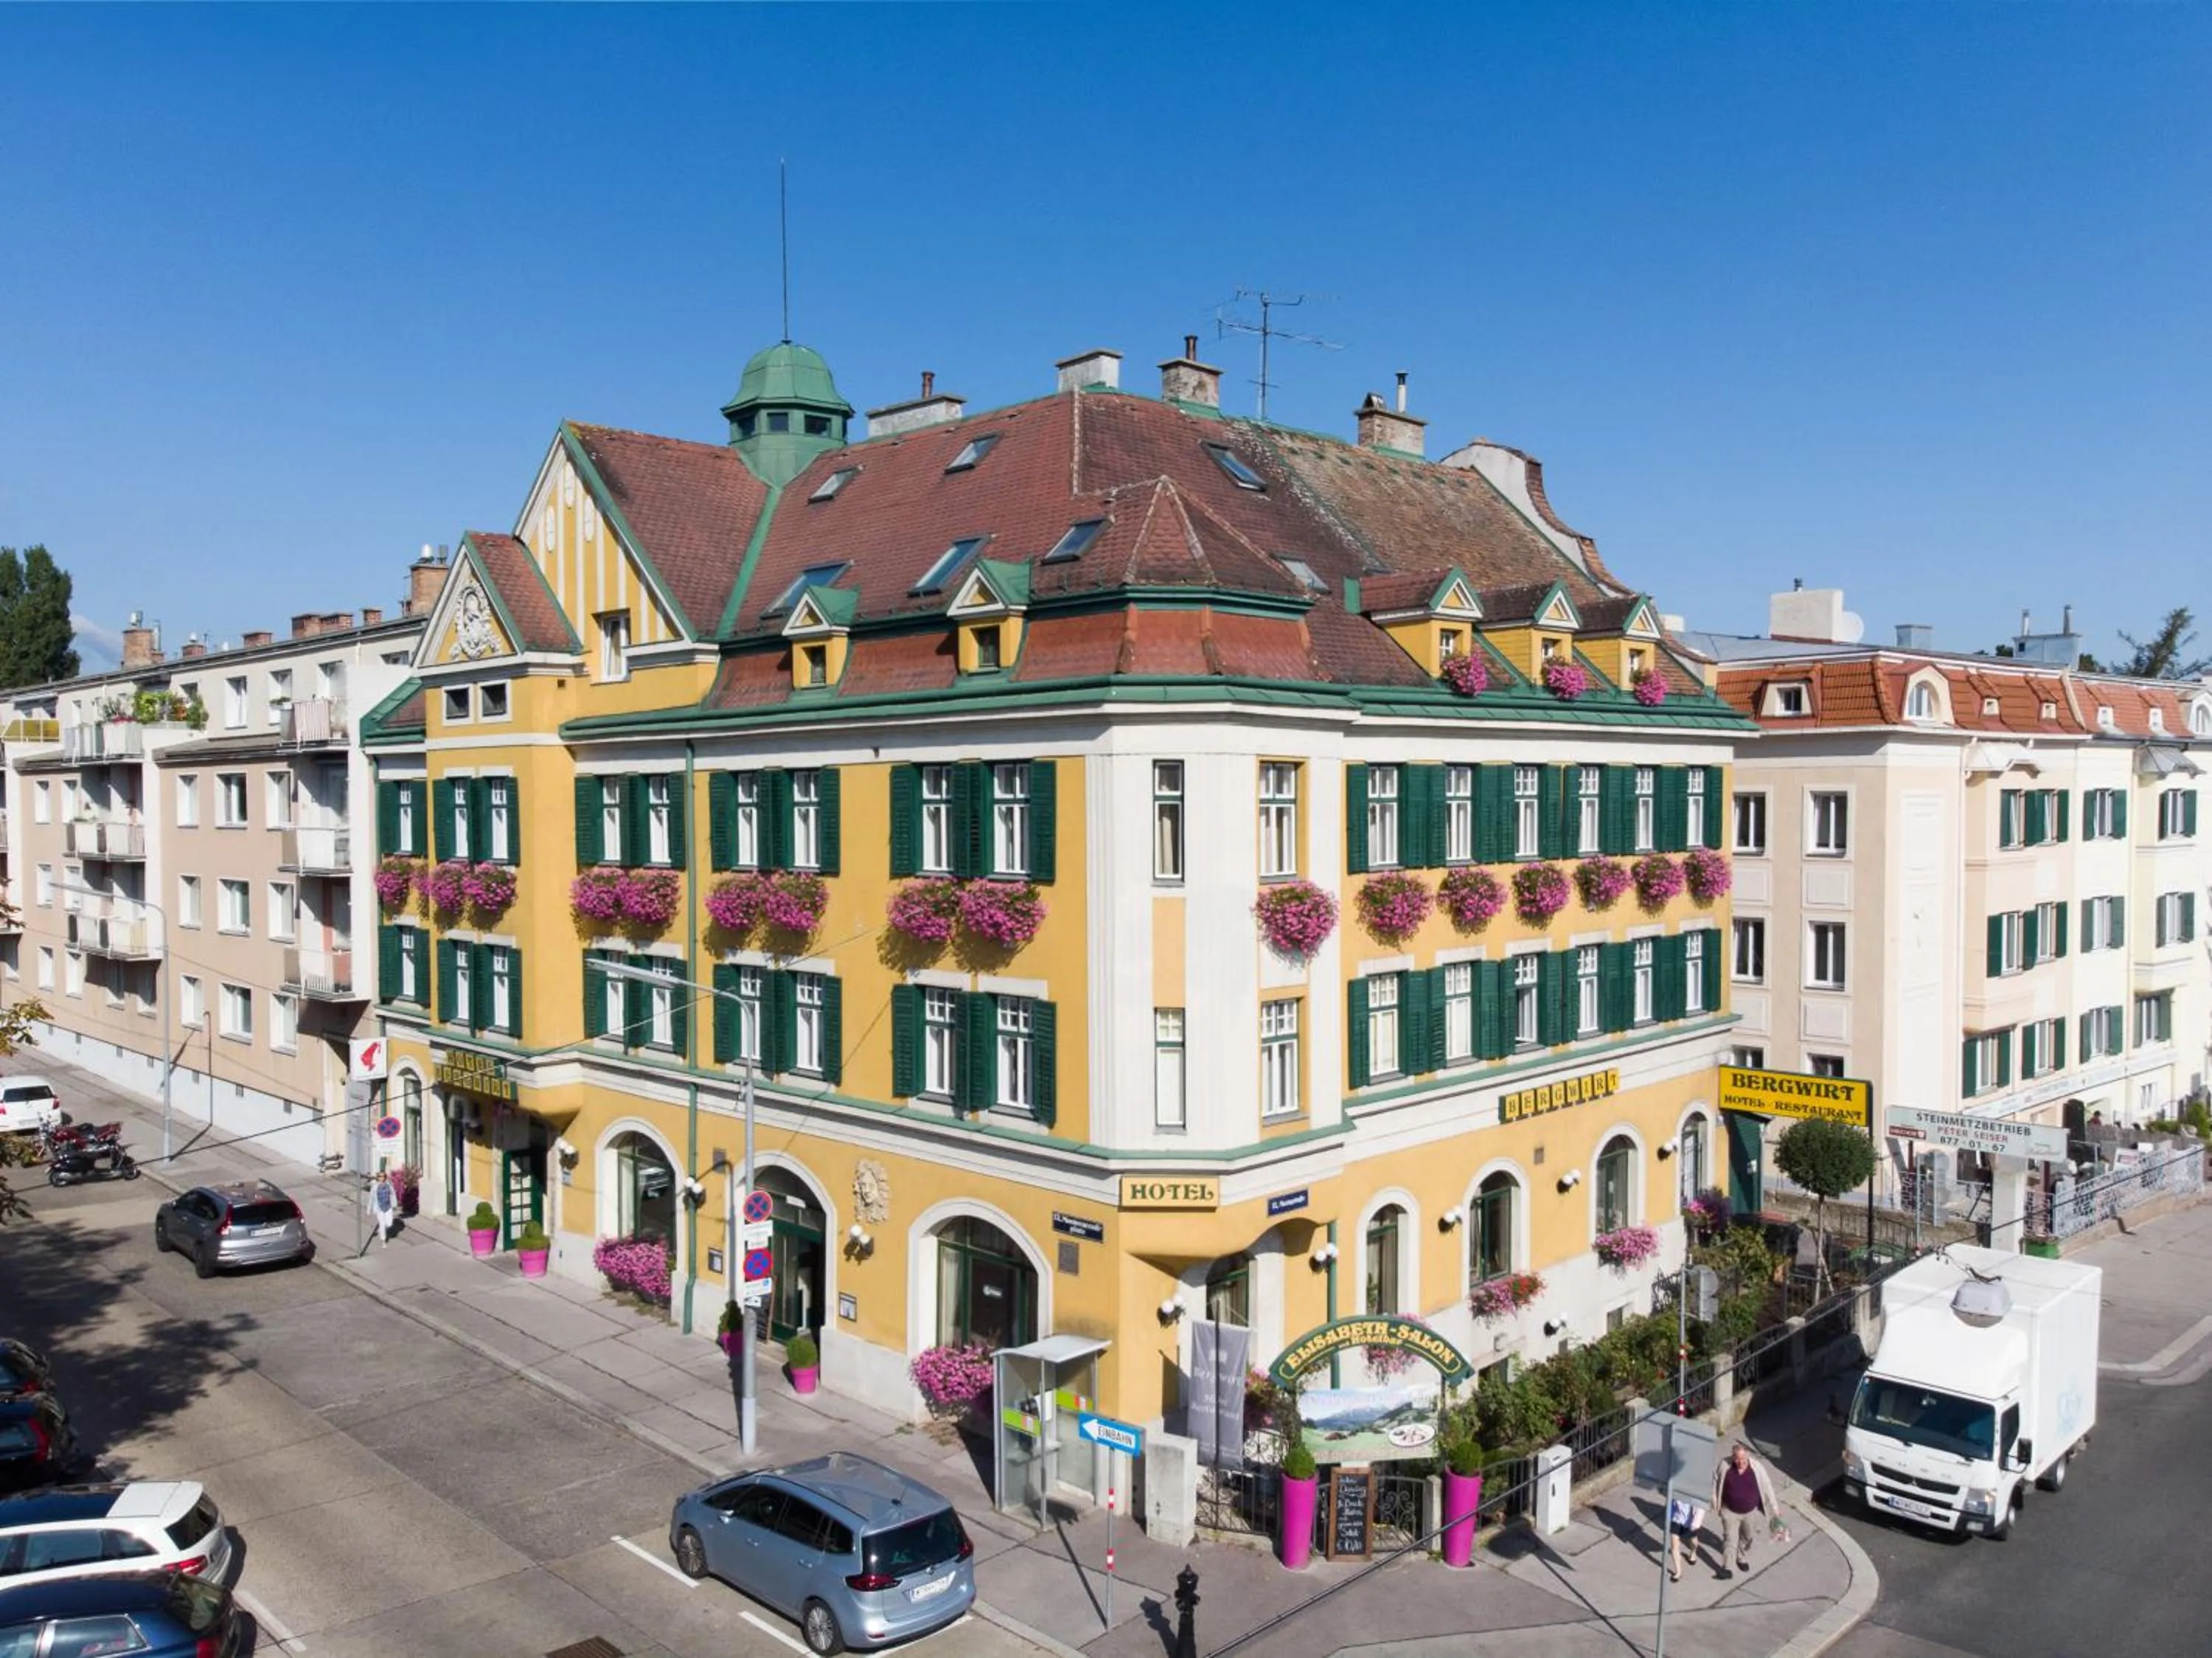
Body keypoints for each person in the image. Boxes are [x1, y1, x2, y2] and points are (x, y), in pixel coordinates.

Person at [1709, 1440, 1781, 1577]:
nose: (1740, 1462)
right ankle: (1727, 1568)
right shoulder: (1725, 1465)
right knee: (1730, 1539)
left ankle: (1740, 1556)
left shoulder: (1757, 1468)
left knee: (1748, 1537)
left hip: (1750, 1512)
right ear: (1733, 1457)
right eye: (1737, 1459)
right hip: (1729, 1511)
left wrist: (1775, 1507)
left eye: (1743, 1459)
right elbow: (1714, 1483)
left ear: (1748, 1456)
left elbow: (1767, 1487)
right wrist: (1714, 1502)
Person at [1666, 1494, 1707, 1582]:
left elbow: (1700, 1507)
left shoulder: (1693, 1489)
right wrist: (1669, 1515)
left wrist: (1696, 1523)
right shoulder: (1676, 1487)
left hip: (1691, 1521)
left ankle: (1693, 1552)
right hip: (1676, 1519)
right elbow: (1671, 1501)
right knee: (1674, 1545)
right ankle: (1678, 1572)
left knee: (1693, 1541)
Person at [371, 1170, 396, 1246]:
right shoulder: (375, 1187)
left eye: (383, 1176)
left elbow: (393, 1194)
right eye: (380, 1176)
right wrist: (370, 1209)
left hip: (388, 1206)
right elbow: (372, 1198)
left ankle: (380, 1230)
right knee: (382, 1224)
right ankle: (383, 1241)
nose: (382, 1178)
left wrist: (394, 1204)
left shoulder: (388, 1184)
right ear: (377, 1178)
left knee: (389, 1224)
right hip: (379, 1207)